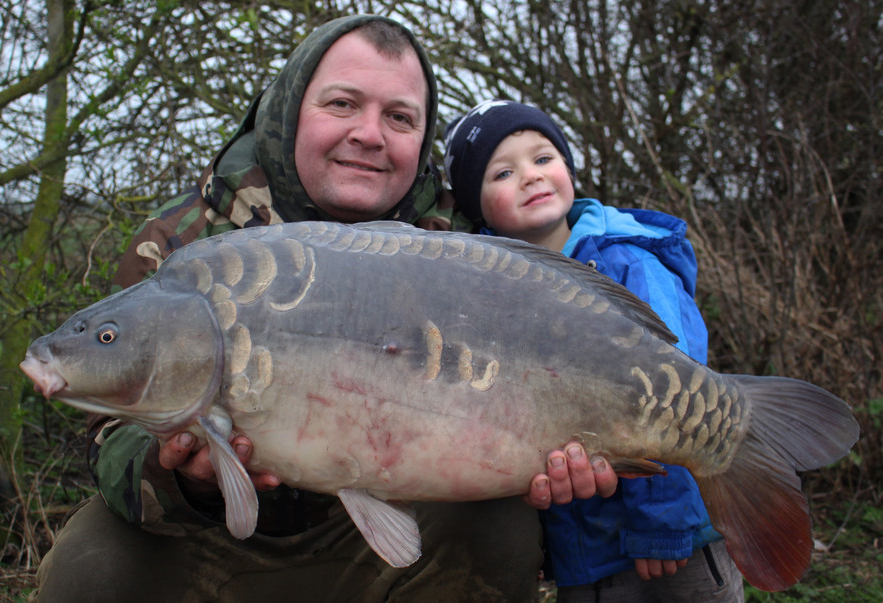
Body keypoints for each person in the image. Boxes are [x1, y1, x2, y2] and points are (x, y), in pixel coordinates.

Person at [33, 17, 616, 603]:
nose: (370, 134)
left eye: (400, 117)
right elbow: (109, 440)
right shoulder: (180, 245)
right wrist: (188, 480)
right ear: (289, 111)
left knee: (501, 526)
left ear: (422, 139)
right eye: (342, 104)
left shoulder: (464, 243)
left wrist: (562, 454)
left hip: (396, 528)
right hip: (214, 542)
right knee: (90, 563)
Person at [443, 100, 745, 602]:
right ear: (476, 205)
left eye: (543, 158)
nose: (531, 176)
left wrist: (662, 524)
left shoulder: (629, 264)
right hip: (581, 557)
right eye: (503, 173)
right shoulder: (478, 286)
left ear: (568, 166)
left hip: (669, 546)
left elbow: (677, 399)